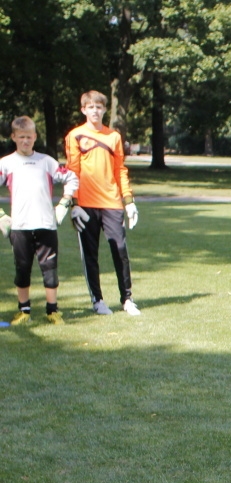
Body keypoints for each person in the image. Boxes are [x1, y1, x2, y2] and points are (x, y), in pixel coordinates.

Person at [65, 90, 140, 315]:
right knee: (90, 253)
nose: (95, 111)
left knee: (119, 249)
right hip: (86, 204)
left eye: (99, 107)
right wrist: (74, 203)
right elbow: (73, 171)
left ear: (105, 110)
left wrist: (129, 201)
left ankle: (127, 299)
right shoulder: (75, 135)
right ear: (83, 110)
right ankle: (97, 300)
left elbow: (120, 170)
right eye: (91, 107)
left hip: (112, 202)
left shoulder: (114, 136)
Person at [0, 116, 80, 325]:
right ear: (14, 138)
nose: (25, 141)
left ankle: (52, 311)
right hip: (20, 225)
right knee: (22, 268)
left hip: (46, 223)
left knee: (50, 268)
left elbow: (71, 178)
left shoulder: (46, 162)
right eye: (21, 137)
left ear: (35, 137)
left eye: (29, 137)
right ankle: (24, 310)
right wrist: (1, 216)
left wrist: (64, 203)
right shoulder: (6, 163)